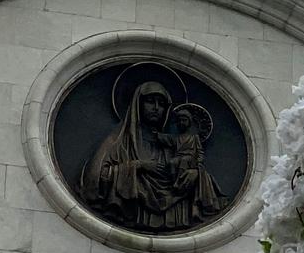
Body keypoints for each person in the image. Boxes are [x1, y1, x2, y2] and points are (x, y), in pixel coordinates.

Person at [78, 74, 227, 232]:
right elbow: (95, 178)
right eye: (150, 101)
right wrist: (139, 166)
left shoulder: (171, 144)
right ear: (138, 104)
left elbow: (190, 166)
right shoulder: (119, 141)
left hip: (174, 214)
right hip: (132, 209)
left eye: (161, 104)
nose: (156, 107)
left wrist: (196, 174)